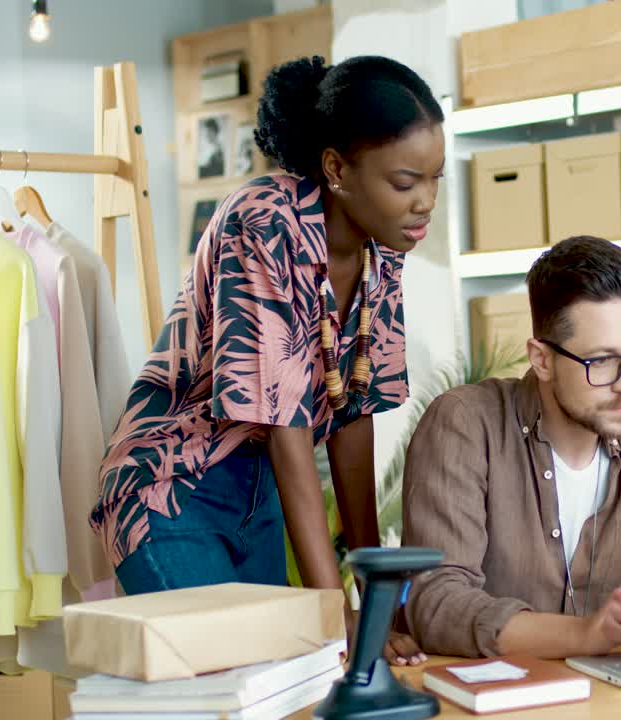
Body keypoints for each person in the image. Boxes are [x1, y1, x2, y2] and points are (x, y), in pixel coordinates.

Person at [93, 55, 442, 664]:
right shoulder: (264, 222)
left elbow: (351, 416)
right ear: (337, 168)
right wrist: (339, 618)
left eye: (435, 179)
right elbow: (286, 428)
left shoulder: (382, 250)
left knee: (282, 689)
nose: (425, 204)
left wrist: (372, 600)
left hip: (264, 498)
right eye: (406, 183)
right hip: (173, 491)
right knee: (231, 682)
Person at [401, 236, 621, 659]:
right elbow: (436, 603)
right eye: (602, 362)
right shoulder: (465, 424)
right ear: (542, 360)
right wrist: (585, 635)